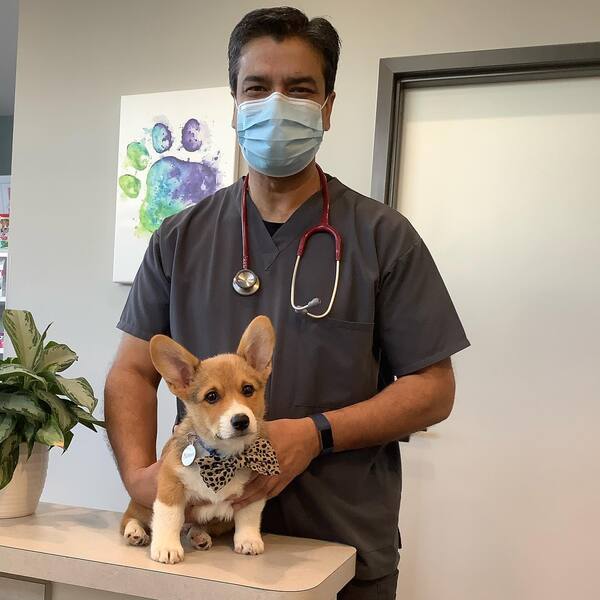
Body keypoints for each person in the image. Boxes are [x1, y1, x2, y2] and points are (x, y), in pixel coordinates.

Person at [105, 7, 470, 599]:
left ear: (327, 106)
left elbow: (434, 388)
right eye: (257, 88)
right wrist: (137, 476)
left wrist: (316, 433)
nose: (276, 105)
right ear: (235, 105)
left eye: (299, 89)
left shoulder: (383, 238)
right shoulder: (179, 238)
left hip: (338, 545)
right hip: (202, 552)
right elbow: (130, 371)